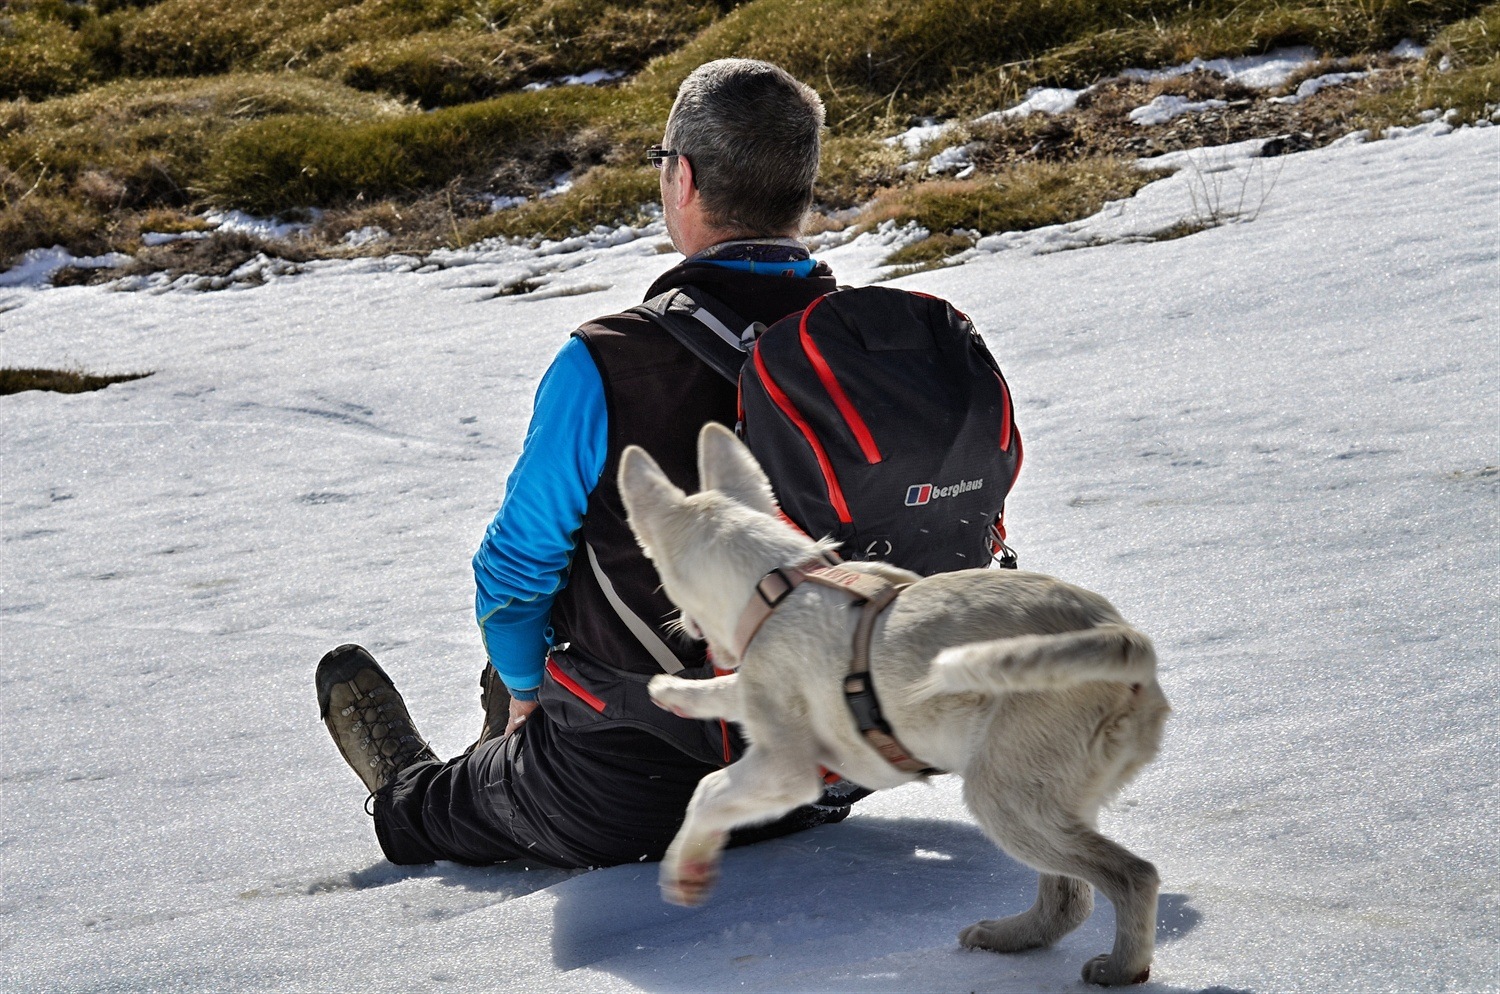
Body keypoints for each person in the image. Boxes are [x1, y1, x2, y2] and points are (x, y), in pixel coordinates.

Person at [316, 58, 860, 869]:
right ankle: (504, 738)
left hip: (633, 791)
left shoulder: (608, 362)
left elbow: (513, 571)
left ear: (681, 177)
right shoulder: (874, 344)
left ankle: (424, 785)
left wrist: (529, 691)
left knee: (442, 803)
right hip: (832, 767)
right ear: (802, 187)